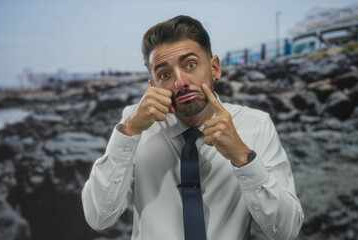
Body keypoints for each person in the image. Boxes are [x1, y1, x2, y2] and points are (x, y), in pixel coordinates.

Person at [82, 15, 304, 240]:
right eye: (164, 74)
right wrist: (128, 132)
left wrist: (242, 156)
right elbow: (99, 217)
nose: (180, 82)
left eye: (190, 65)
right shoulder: (135, 126)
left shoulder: (256, 125)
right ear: (153, 85)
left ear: (215, 68)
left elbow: (286, 231)